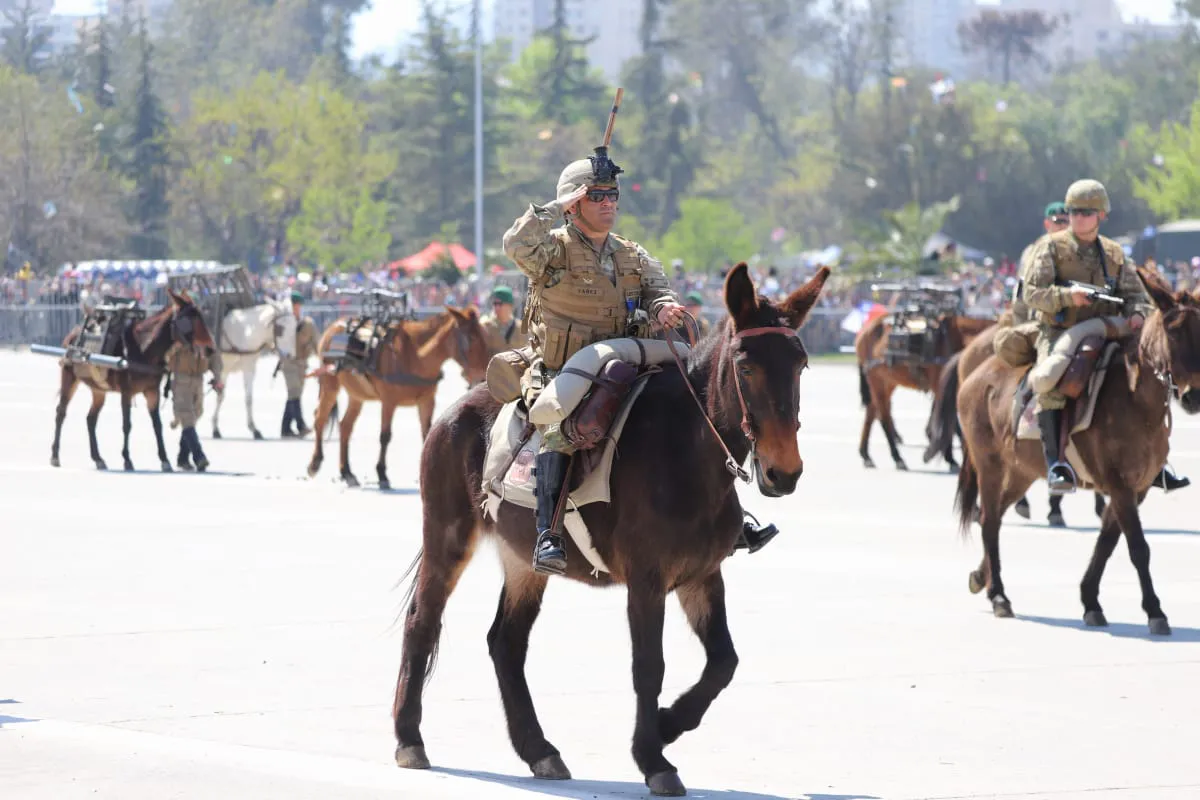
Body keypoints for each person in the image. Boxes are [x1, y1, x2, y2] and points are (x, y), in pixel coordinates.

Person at [503, 150, 778, 575]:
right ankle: (548, 533)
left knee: (695, 412)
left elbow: (657, 291)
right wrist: (557, 206)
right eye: (596, 195)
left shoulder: (633, 254)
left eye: (612, 194)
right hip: (564, 370)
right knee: (561, 430)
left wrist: (665, 308)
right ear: (574, 204)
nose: (609, 202)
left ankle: (728, 517)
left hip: (628, 362)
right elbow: (514, 243)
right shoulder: (552, 252)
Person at [1022, 180, 1155, 494]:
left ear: (1101, 216)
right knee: (1051, 381)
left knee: (1151, 373)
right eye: (1073, 212)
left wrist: (1138, 313)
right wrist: (1069, 297)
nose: (1077, 218)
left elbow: (1136, 294)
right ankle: (1056, 463)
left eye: (1085, 212)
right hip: (1058, 330)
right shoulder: (1050, 247)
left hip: (1109, 329)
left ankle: (1156, 459)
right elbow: (1031, 293)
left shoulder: (1114, 252)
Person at [168, 337, 223, 472]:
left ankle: (182, 458)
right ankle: (199, 457)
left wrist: (217, 377)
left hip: (198, 380)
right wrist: (177, 347)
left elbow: (214, 357)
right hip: (182, 379)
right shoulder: (177, 335)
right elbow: (166, 356)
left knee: (196, 414)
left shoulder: (205, 336)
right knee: (187, 417)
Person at [281, 290, 318, 438]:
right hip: (288, 363)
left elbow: (316, 343)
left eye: (296, 305)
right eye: (293, 305)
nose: (295, 308)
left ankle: (285, 429)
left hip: (302, 363)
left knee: (294, 395)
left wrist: (322, 360)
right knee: (294, 391)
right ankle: (301, 425)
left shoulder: (307, 324)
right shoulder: (283, 323)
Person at [479, 285, 523, 354]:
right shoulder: (486, 327)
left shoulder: (521, 328)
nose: (496, 308)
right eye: (495, 304)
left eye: (499, 304)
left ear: (509, 305)